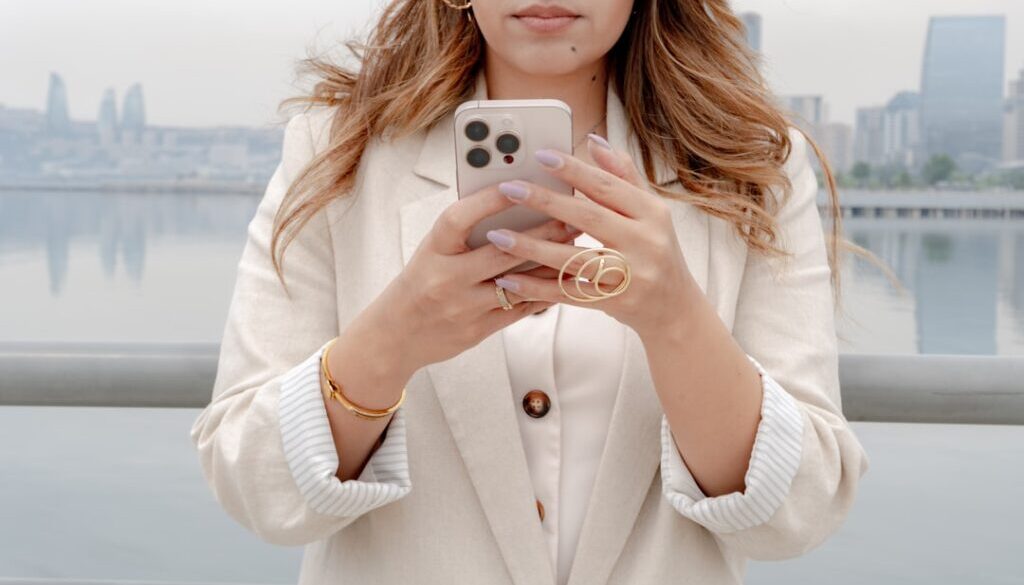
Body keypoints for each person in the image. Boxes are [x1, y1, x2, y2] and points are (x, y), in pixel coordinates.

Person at [189, 0, 869, 583]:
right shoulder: (338, 150)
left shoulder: (754, 166)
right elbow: (254, 485)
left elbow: (797, 512)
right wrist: (395, 337)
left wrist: (676, 320)